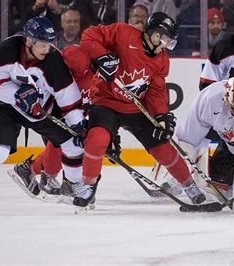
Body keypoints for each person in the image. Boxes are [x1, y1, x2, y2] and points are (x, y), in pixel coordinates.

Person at [76, 12, 207, 208]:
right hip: (106, 101)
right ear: (153, 33)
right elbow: (88, 36)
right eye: (164, 38)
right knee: (98, 138)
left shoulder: (161, 60)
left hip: (134, 106)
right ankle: (87, 185)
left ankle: (189, 185)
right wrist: (102, 58)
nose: (165, 45)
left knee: (162, 145)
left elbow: (156, 91)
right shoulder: (122, 34)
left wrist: (161, 116)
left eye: (169, 41)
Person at [0, 16, 86, 211]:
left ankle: (72, 188)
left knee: (73, 144)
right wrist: (16, 94)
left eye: (50, 44)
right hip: (6, 106)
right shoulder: (6, 51)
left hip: (40, 109)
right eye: (43, 45)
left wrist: (77, 124)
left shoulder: (54, 61)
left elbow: (69, 100)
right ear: (29, 40)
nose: (47, 50)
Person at [11, 44, 95, 203]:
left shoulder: (88, 75)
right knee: (62, 142)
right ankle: (38, 172)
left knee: (70, 144)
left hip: (75, 117)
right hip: (52, 116)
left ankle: (34, 171)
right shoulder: (54, 73)